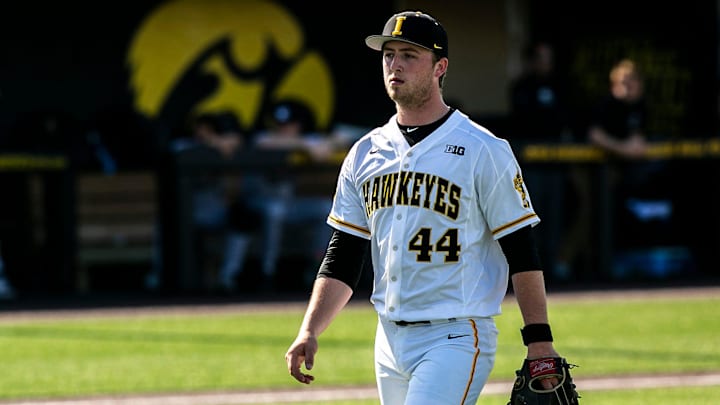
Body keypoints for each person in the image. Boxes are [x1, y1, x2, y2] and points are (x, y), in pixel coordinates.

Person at [285, 11, 566, 404]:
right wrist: (310, 329)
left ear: (440, 67)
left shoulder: (483, 149)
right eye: (388, 54)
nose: (394, 64)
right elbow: (345, 254)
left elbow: (521, 249)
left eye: (409, 54)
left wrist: (539, 339)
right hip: (388, 338)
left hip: (454, 335)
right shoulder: (365, 152)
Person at [243, 101, 338, 291]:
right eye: (280, 125)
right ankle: (267, 272)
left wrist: (323, 143)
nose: (284, 129)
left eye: (289, 124)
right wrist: (304, 144)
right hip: (259, 201)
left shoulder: (309, 140)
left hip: (290, 204)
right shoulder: (265, 138)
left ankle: (317, 266)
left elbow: (332, 144)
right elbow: (263, 142)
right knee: (275, 211)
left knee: (325, 209)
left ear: (298, 125)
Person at [508, 40, 573, 280]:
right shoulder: (521, 87)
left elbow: (564, 119)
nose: (545, 64)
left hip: (556, 164)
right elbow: (524, 121)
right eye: (540, 58)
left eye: (548, 59)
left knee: (555, 219)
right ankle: (530, 273)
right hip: (530, 166)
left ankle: (554, 270)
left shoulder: (560, 86)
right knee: (530, 221)